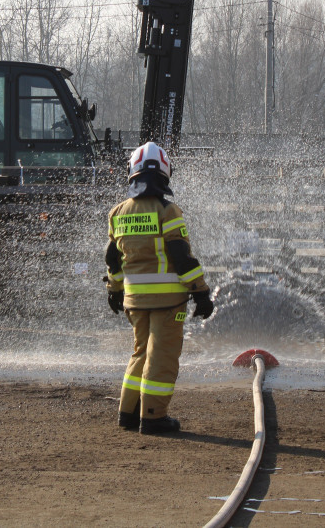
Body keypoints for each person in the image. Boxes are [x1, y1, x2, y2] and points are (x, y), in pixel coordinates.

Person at [104, 141, 212, 435]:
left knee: (140, 353)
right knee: (161, 356)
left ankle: (128, 413)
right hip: (168, 302)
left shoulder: (118, 213)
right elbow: (181, 257)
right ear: (165, 172)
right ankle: (153, 417)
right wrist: (201, 292)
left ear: (131, 172)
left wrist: (114, 291)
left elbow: (114, 261)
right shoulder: (168, 210)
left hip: (134, 301)